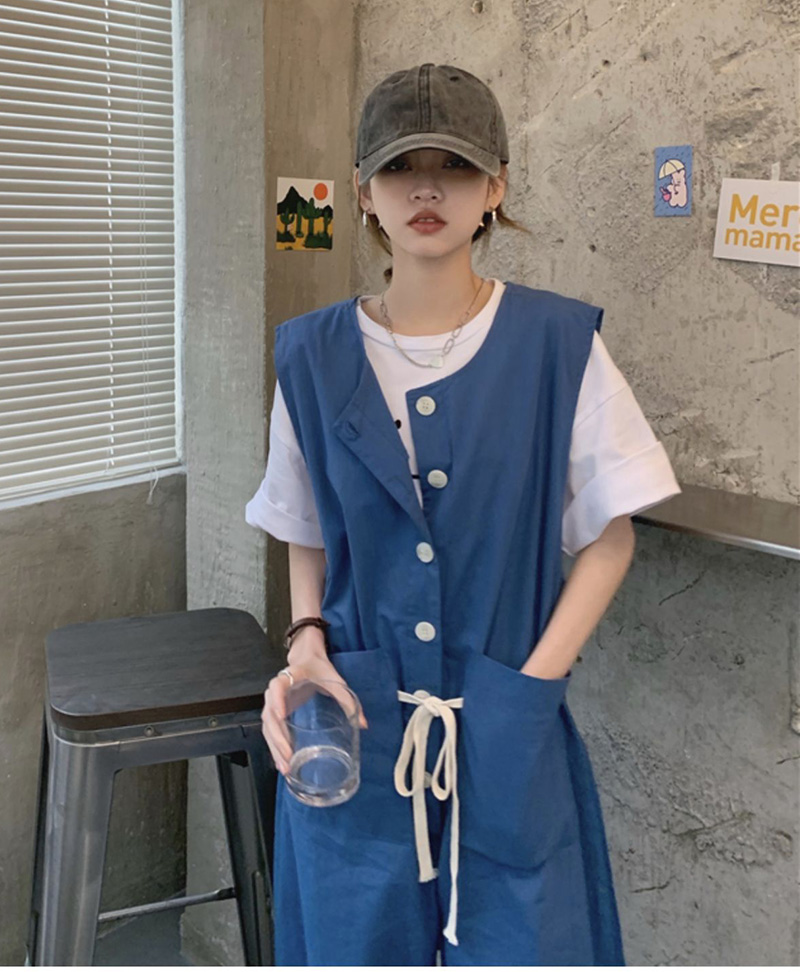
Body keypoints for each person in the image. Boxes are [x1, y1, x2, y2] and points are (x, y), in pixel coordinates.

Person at [246, 62, 681, 966]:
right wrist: (305, 643)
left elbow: (610, 536)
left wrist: (528, 692)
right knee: (353, 940)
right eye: (402, 167)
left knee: (523, 937)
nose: (427, 189)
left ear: (496, 188)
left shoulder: (558, 345)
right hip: (356, 720)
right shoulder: (312, 357)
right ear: (364, 189)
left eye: (455, 166)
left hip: (507, 714)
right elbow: (302, 524)